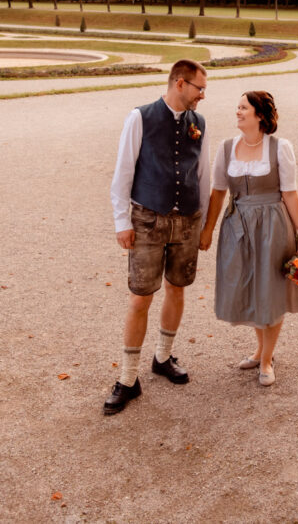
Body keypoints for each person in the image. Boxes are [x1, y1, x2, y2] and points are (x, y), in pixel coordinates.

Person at [104, 59, 210, 415]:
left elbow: (204, 175)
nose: (202, 96)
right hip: (147, 219)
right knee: (139, 299)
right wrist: (123, 222)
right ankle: (128, 378)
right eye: (199, 88)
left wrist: (205, 225)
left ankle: (162, 357)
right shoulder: (140, 117)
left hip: (187, 222)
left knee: (177, 289)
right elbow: (122, 172)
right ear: (180, 84)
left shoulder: (200, 123)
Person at [199, 91, 298, 386]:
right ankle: (262, 350)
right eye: (237, 107)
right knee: (248, 287)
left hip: (273, 225)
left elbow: (290, 192)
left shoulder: (279, 148)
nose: (237, 112)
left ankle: (266, 360)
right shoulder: (226, 148)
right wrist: (208, 229)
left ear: (260, 115)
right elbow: (218, 191)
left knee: (270, 291)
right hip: (238, 225)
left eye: (243, 108)